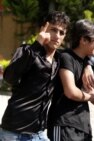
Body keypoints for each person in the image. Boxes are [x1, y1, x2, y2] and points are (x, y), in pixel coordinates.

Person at [0, 11, 70, 140]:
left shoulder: (59, 59)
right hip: (14, 132)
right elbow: (10, 77)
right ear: (43, 29)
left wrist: (87, 64)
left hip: (39, 133)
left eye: (62, 32)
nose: (57, 36)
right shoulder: (27, 50)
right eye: (53, 30)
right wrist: (37, 44)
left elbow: (77, 57)